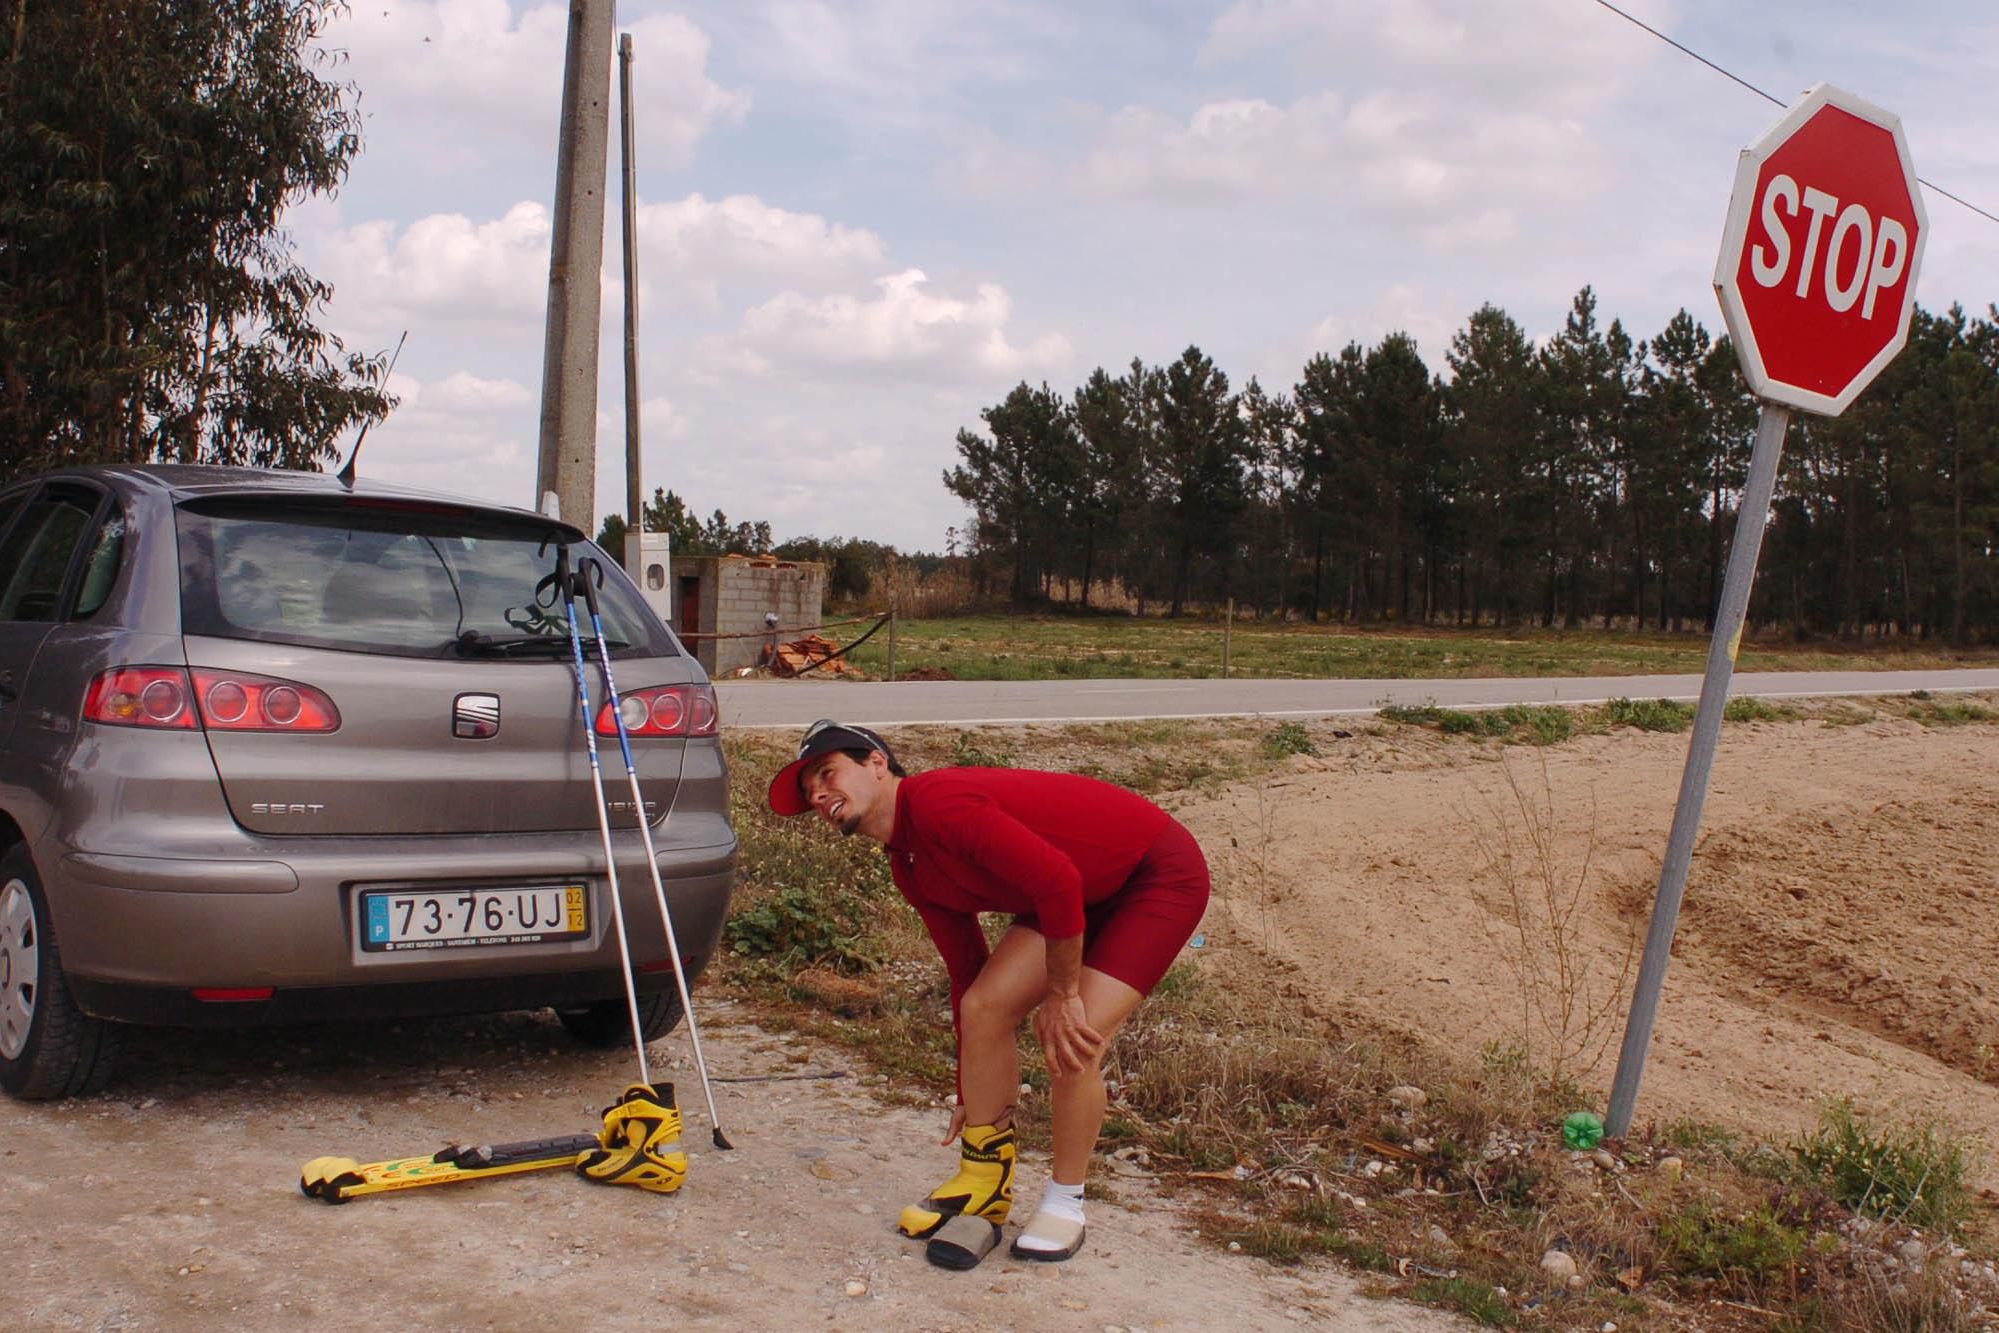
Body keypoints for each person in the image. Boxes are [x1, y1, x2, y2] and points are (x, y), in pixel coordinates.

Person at [766, 719, 1210, 1264]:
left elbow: (1058, 881)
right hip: (1072, 890)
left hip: (1152, 875)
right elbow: (966, 975)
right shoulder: (907, 864)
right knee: (984, 1005)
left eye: (827, 773)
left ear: (877, 763)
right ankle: (985, 1179)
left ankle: (1064, 1203)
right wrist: (967, 1090)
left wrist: (1063, 994)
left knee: (1073, 1037)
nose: (818, 794)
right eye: (809, 791)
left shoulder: (937, 803)